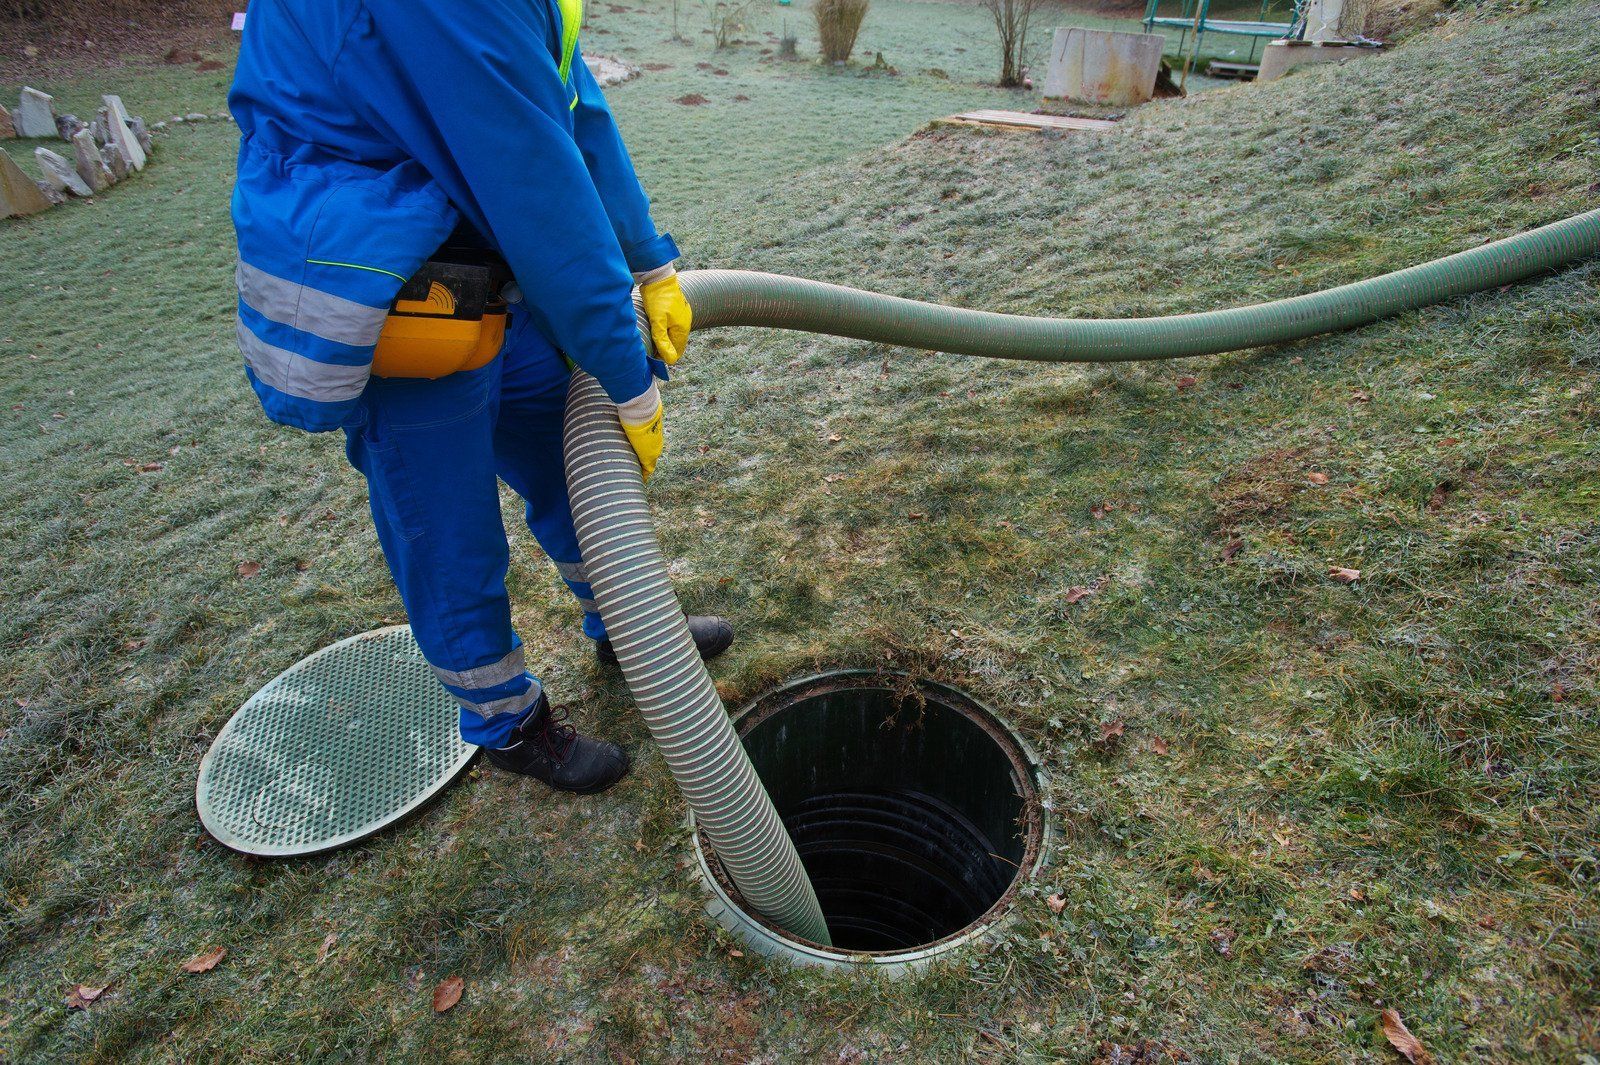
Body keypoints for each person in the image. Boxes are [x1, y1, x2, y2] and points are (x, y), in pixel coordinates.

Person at [228, 0, 733, 795]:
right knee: (450, 534)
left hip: (487, 258)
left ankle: (627, 626)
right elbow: (534, 182)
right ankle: (508, 723)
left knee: (571, 470)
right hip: (398, 287)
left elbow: (569, 100)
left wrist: (649, 261)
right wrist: (629, 383)